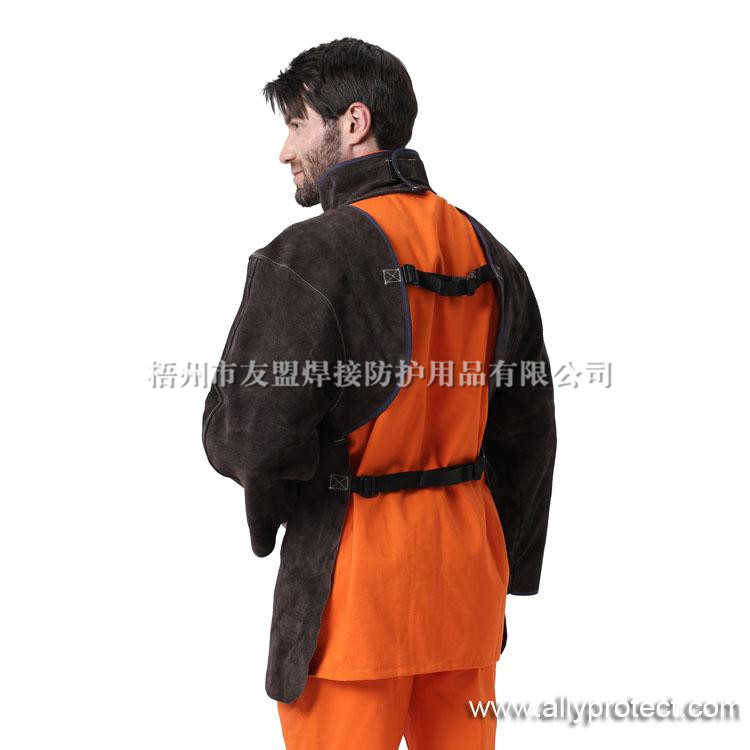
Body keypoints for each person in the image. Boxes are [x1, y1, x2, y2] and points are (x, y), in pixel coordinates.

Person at [202, 37, 557, 750]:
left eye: (297, 124)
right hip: (465, 594)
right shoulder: (489, 253)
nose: (284, 150)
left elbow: (248, 438)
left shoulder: (310, 256)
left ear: (354, 122)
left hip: (353, 601)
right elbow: (528, 433)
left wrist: (276, 520)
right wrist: (507, 569)